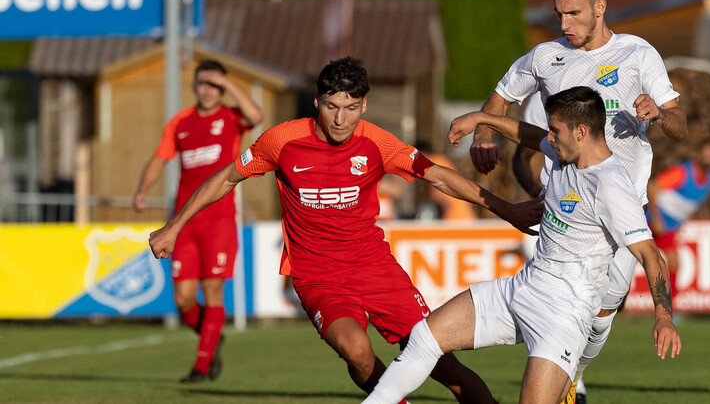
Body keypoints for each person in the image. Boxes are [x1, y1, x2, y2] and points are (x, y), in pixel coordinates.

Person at [148, 57, 542, 402]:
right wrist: (173, 227)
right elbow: (226, 178)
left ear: (363, 105)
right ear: (318, 102)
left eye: (351, 108)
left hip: (376, 271)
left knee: (440, 363)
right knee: (355, 350)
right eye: (332, 107)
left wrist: (506, 210)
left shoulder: (376, 142)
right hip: (317, 276)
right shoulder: (282, 141)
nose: (341, 119)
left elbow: (437, 176)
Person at [363, 86, 681, 404]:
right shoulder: (564, 151)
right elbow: (528, 134)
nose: (549, 140)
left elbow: (651, 256)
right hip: (522, 288)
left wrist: (664, 317)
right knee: (425, 337)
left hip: (563, 316)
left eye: (555, 132)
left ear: (581, 132)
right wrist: (481, 118)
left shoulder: (612, 186)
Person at [472, 0, 689, 402]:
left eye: (573, 14)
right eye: (559, 15)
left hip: (622, 207)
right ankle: (556, 374)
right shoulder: (546, 60)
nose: (564, 24)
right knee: (563, 305)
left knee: (604, 311)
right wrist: (483, 132)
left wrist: (660, 114)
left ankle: (573, 374)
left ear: (600, 7)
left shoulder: (638, 55)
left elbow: (680, 125)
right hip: (568, 211)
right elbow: (502, 97)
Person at [133, 59, 263, 382]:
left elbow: (257, 115)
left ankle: (201, 367)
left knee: (213, 290)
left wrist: (226, 81)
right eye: (203, 83)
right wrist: (142, 189)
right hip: (184, 223)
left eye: (214, 85)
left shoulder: (232, 117)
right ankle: (212, 334)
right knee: (183, 299)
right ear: (193, 86)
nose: (208, 90)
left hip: (219, 219)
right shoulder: (180, 122)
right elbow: (160, 157)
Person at [647, 141, 710, 304]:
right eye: (705, 154)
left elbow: (687, 203)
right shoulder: (683, 172)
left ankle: (669, 307)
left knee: (674, 263)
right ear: (698, 155)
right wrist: (657, 219)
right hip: (650, 220)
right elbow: (652, 187)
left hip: (669, 227)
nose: (708, 158)